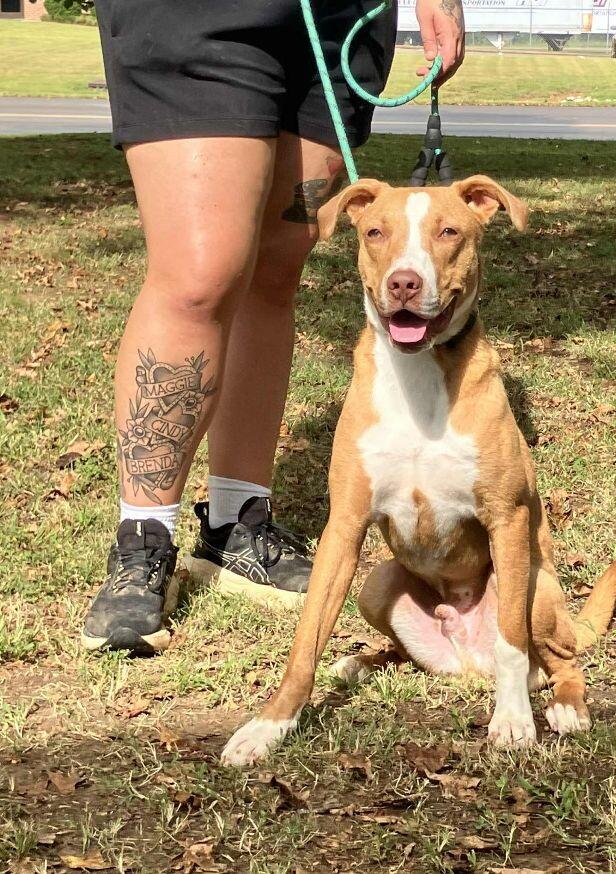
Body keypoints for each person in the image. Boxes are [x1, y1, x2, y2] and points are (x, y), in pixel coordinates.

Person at [81, 0, 466, 655]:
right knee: (201, 271)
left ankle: (237, 524)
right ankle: (142, 536)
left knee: (278, 265)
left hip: (339, 14)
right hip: (200, 17)